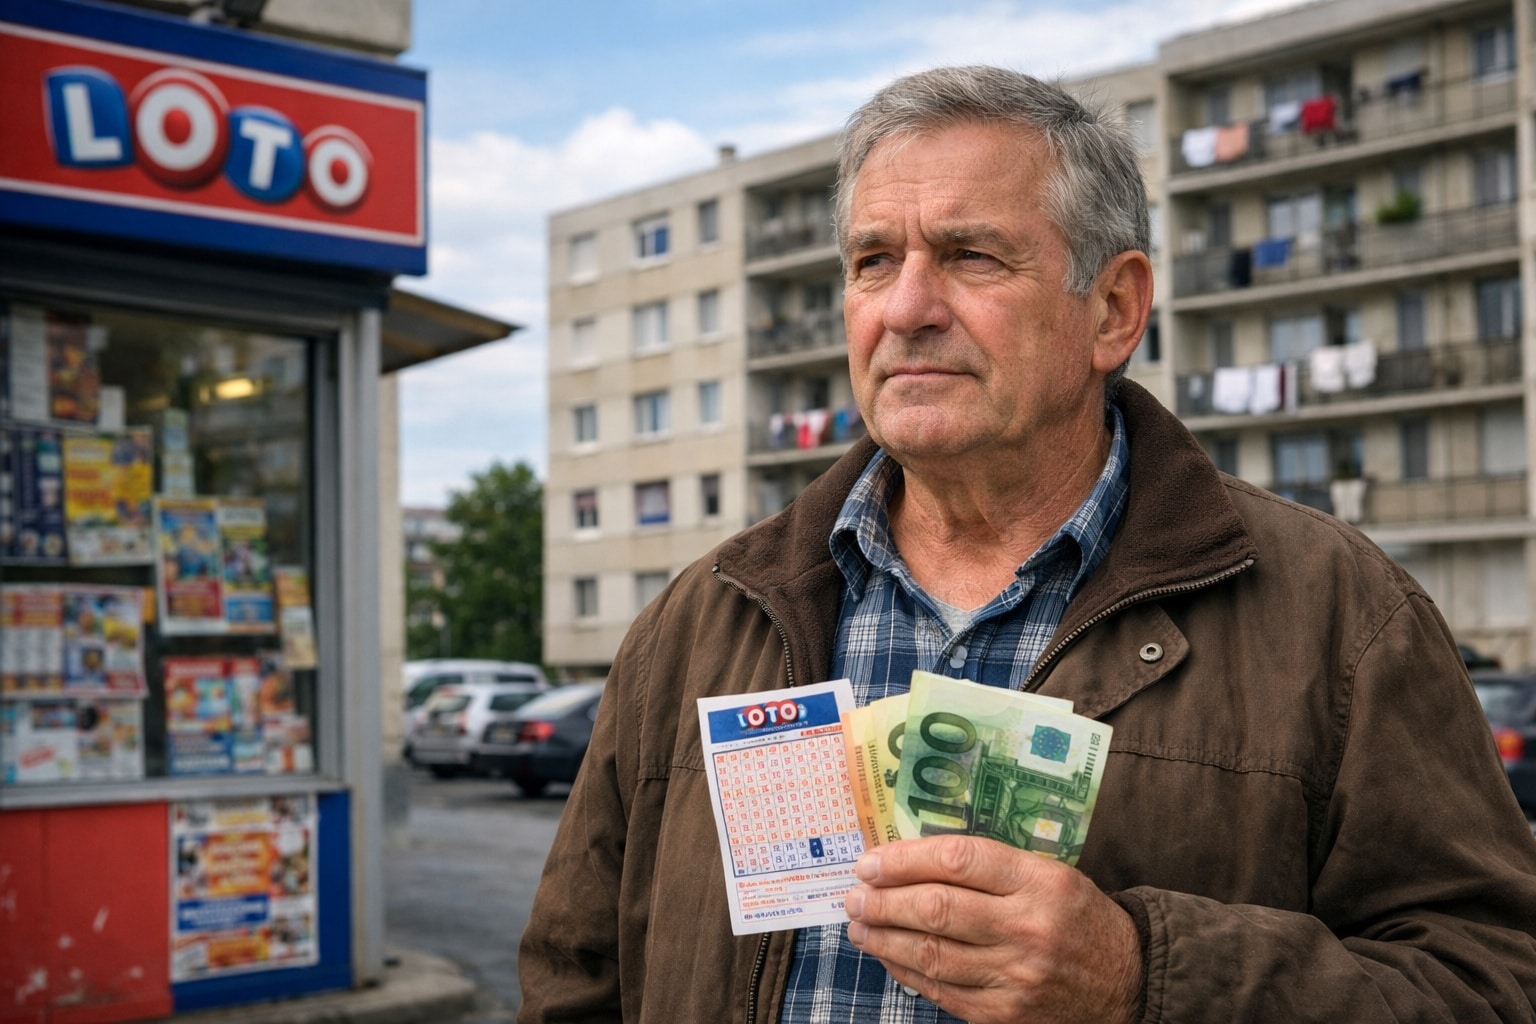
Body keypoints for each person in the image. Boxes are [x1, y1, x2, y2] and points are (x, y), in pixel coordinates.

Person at [517, 65, 1536, 1023]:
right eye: (875, 261)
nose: (907, 309)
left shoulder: (1339, 615)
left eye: (969, 256)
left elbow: (1491, 979)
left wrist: (1144, 975)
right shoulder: (703, 617)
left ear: (1114, 308)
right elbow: (575, 978)